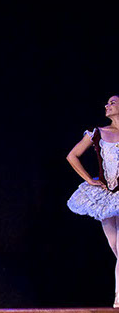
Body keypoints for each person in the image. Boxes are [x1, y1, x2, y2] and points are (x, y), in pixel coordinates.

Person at [66, 95, 119, 307]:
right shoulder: (98, 133)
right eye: (107, 103)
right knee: (115, 246)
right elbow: (72, 156)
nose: (107, 105)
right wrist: (89, 179)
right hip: (107, 197)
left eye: (112, 102)